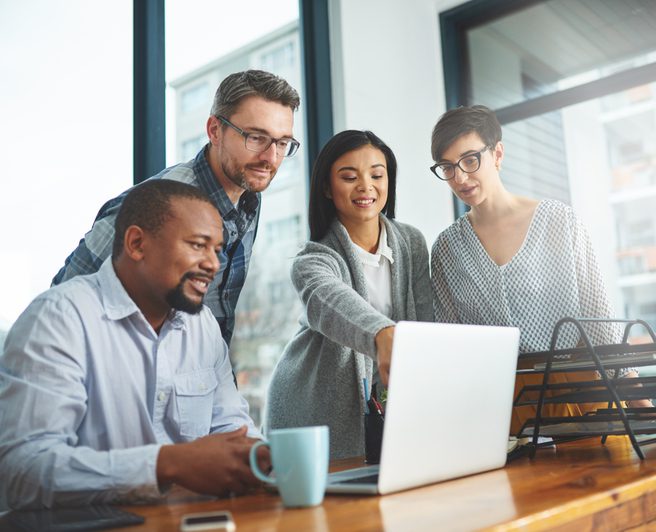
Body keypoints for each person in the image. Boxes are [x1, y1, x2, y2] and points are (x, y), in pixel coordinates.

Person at [0, 180, 270, 510]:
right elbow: (22, 471)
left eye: (216, 250)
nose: (213, 264)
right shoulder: (57, 320)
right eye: (198, 245)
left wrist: (265, 457)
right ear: (137, 243)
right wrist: (166, 464)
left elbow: (233, 428)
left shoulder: (203, 326)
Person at [428, 105, 650, 433]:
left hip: (583, 393)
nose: (460, 177)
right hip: (502, 410)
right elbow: (453, 344)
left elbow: (600, 321)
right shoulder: (446, 248)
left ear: (498, 154)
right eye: (447, 167)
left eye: (470, 160)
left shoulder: (559, 221)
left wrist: (642, 406)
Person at [52, 69, 300, 346]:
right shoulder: (157, 204)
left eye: (282, 143)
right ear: (215, 131)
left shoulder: (249, 196)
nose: (270, 157)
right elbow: (61, 307)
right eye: (255, 137)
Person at [265, 130, 433, 459]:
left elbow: (425, 324)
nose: (365, 186)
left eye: (376, 174)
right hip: (315, 409)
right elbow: (331, 303)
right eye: (349, 176)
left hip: (389, 415)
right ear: (327, 187)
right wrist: (383, 334)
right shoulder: (311, 261)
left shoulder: (412, 243)